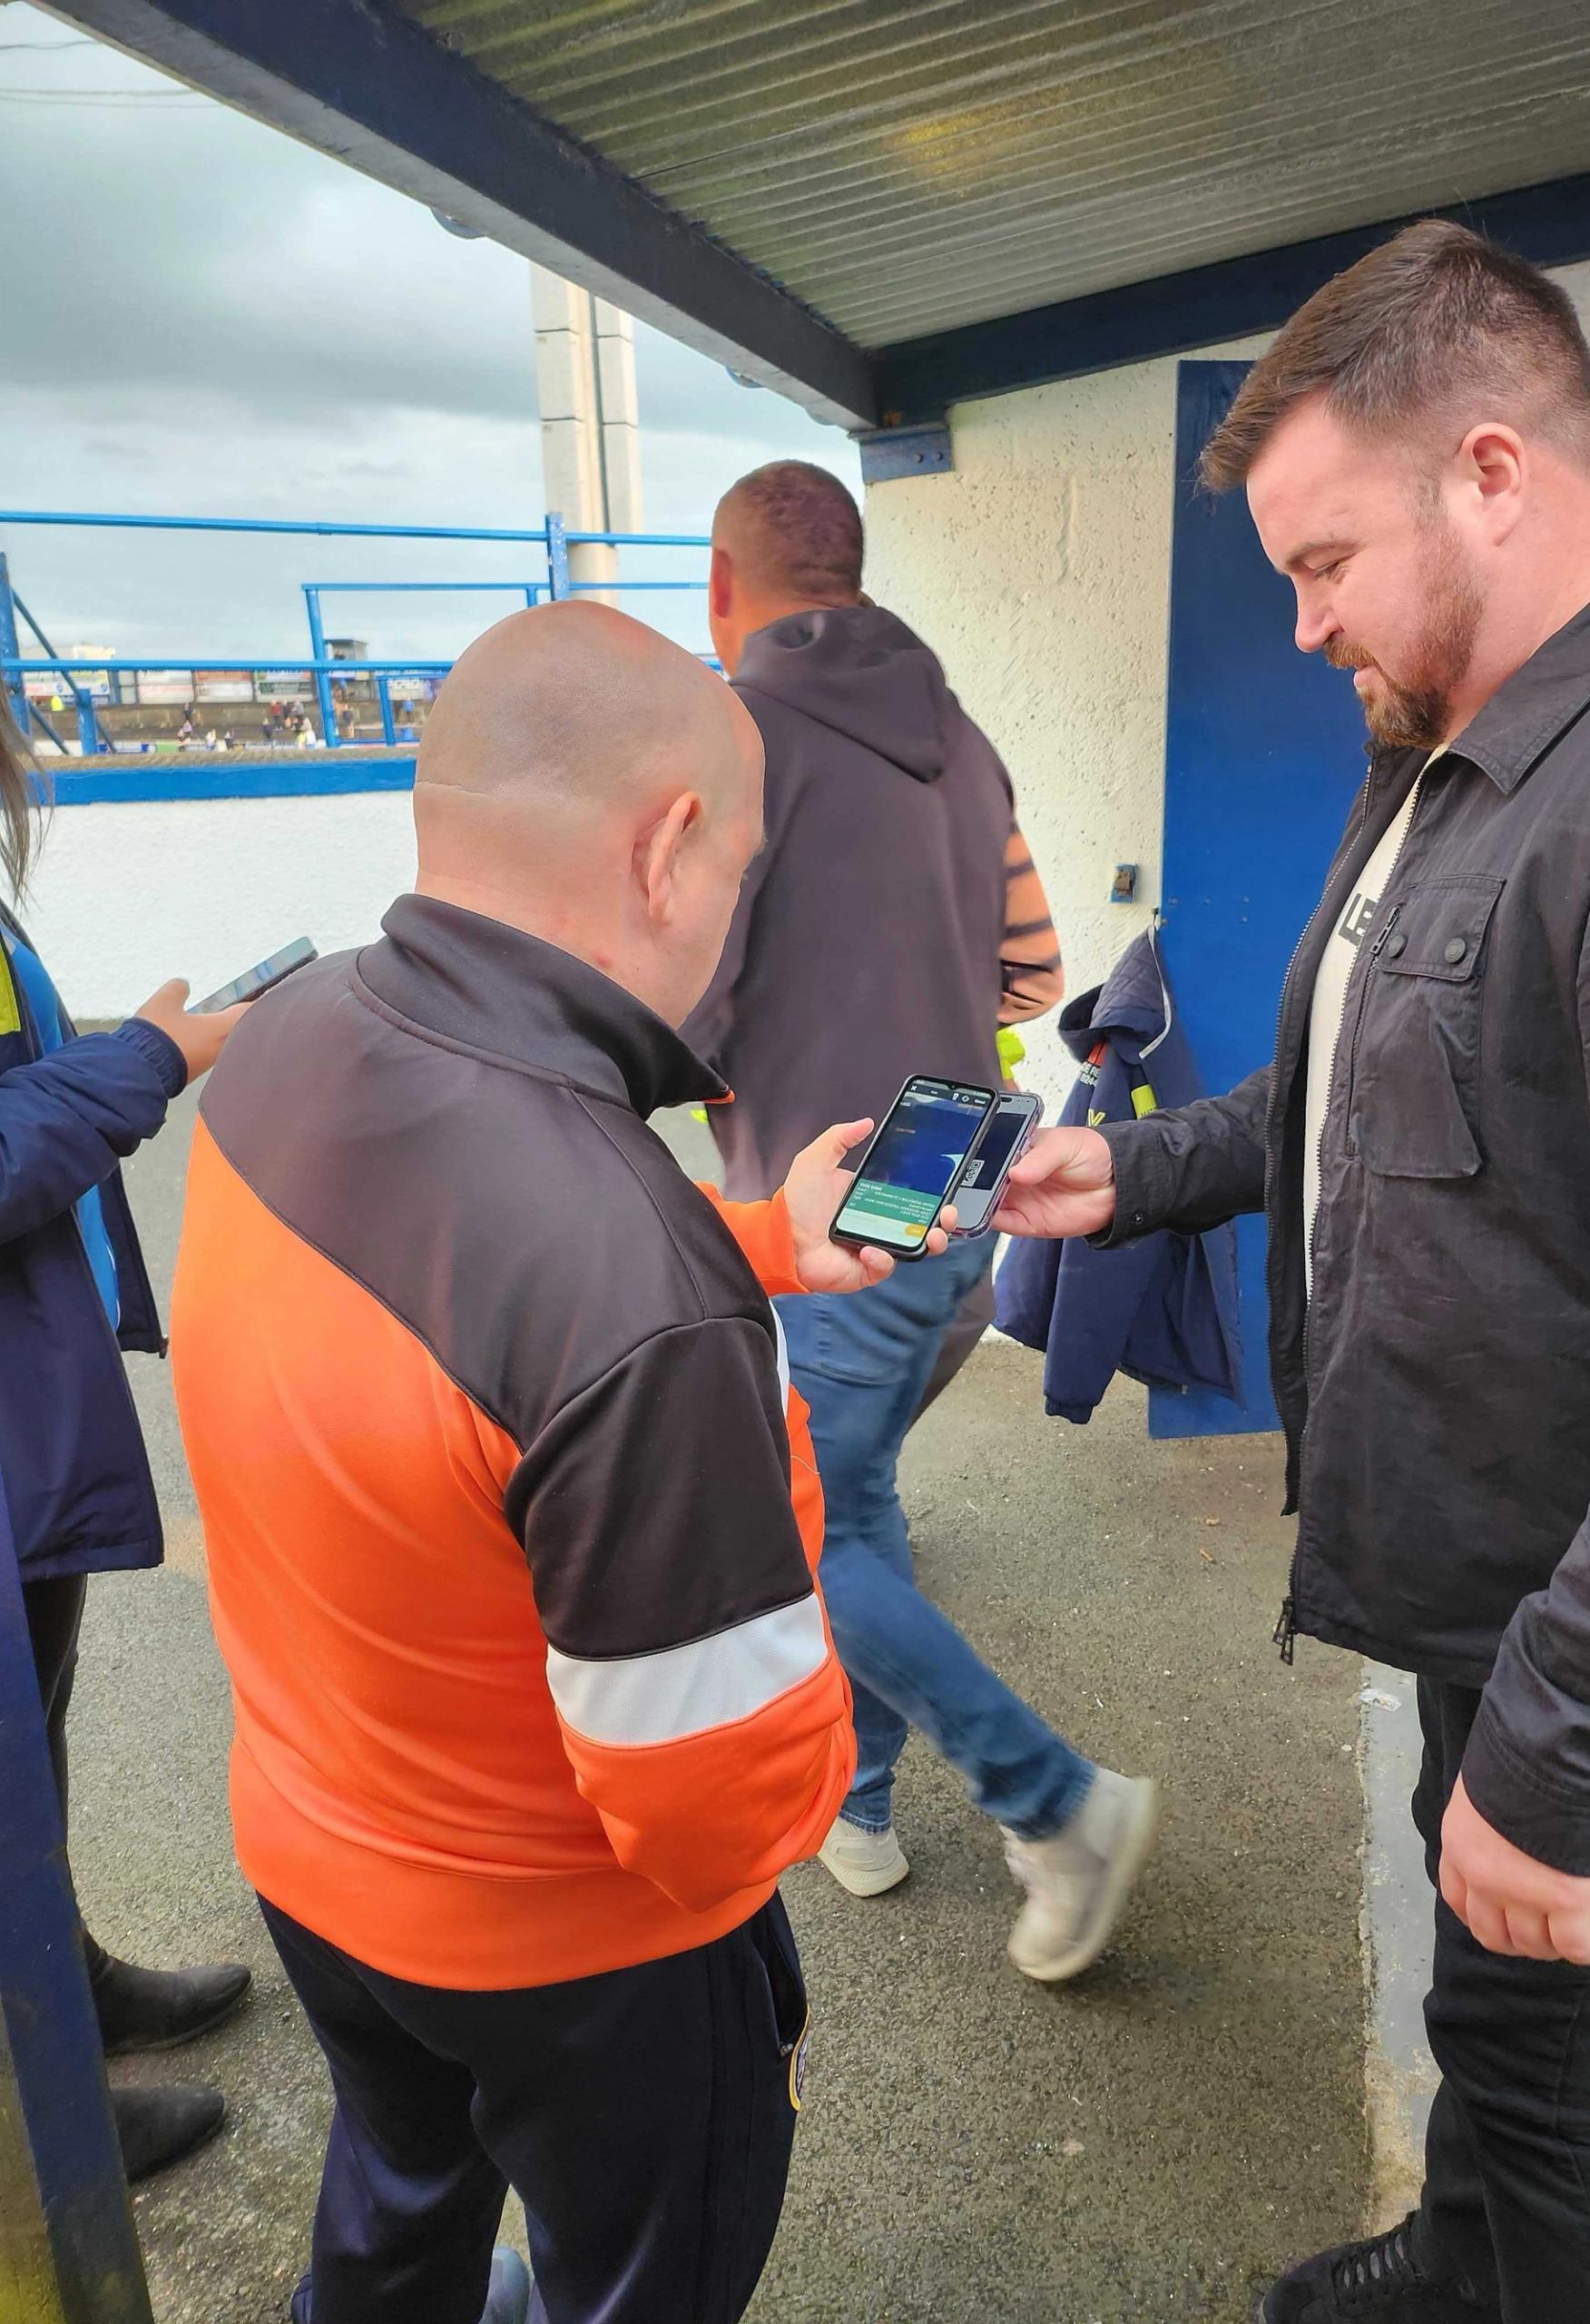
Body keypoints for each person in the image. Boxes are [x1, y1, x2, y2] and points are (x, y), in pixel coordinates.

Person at [998, 221, 1590, 2324]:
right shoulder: (1449, 729)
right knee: (1495, 2018)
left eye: (1325, 562)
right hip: (1484, 1575)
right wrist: (1123, 1173)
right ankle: (1466, 2256)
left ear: (1492, 472)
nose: (1309, 622)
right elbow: (1346, 1097)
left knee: (1574, 2073)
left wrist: (1562, 1740)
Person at [170, 598, 923, 2324]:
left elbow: (443, 1330)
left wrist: (757, 1246)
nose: (733, 929)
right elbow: (714, 1803)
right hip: (567, 1951)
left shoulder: (298, 1032)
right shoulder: (623, 1278)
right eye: (739, 874)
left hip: (314, 1845)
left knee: (400, 2204)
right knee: (641, 2276)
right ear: (667, 848)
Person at [685, 459, 1158, 1983]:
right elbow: (1031, 970)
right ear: (856, 570)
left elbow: (682, 1002)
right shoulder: (957, 735)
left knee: (800, 1530)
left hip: (837, 1194)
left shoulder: (735, 739)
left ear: (722, 589)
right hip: (959, 1172)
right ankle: (864, 1801)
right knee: (859, 1497)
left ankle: (1055, 1803)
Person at [0, 711, 252, 2181]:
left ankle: (59, 1987)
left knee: (29, 1738)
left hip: (33, 1388)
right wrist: (147, 1061)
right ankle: (40, 2130)